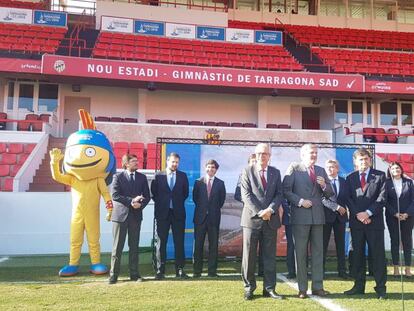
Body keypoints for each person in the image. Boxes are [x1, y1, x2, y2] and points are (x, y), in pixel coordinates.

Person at [283, 143, 333, 299]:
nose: (314, 155)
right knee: (301, 254)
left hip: (318, 217)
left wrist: (324, 185)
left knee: (318, 253)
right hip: (300, 217)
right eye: (311, 152)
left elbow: (330, 193)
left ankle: (318, 287)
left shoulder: (321, 170)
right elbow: (286, 190)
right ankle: (302, 289)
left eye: (316, 153)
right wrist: (300, 201)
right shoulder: (294, 167)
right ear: (302, 154)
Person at [241, 143, 284, 300]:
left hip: (270, 221)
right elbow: (246, 195)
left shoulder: (275, 172)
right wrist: (261, 212)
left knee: (269, 256)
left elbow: (279, 195)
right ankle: (249, 288)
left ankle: (269, 288)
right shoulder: (247, 171)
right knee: (249, 257)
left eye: (265, 153)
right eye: (259, 153)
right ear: (255, 154)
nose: (262, 156)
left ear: (269, 156)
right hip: (251, 221)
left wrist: (270, 210)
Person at [344, 148, 387, 299]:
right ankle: (358, 286)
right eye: (360, 159)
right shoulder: (350, 178)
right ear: (355, 162)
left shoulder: (380, 176)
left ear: (370, 160)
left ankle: (381, 288)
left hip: (374, 223)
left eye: (366, 159)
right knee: (357, 255)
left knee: (378, 256)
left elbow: (382, 198)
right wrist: (359, 215)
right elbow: (348, 199)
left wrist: (368, 213)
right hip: (357, 223)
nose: (364, 162)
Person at [109, 154, 150, 284]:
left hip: (136, 216)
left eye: (137, 161)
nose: (137, 163)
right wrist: (131, 201)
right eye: (133, 161)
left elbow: (147, 196)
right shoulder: (117, 177)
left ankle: (134, 274)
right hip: (120, 216)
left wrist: (140, 205)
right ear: (126, 164)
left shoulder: (142, 178)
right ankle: (113, 275)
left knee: (134, 246)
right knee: (117, 247)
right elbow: (115, 195)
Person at [151, 152, 189, 279]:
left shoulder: (183, 176)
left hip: (178, 214)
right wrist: (165, 204)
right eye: (173, 162)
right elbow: (154, 194)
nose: (175, 164)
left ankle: (179, 269)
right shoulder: (158, 176)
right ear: (168, 161)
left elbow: (185, 193)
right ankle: (160, 270)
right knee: (161, 243)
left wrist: (175, 204)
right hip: (163, 214)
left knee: (179, 242)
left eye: (177, 162)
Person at [192, 159, 226, 278]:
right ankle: (197, 271)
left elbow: (221, 201)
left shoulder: (220, 183)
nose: (210, 169)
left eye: (213, 167)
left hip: (214, 219)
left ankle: (212, 271)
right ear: (205, 168)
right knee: (198, 245)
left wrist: (211, 211)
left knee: (213, 246)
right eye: (208, 167)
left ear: (216, 170)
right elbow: (195, 198)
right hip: (200, 219)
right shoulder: (198, 182)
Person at [235, 154, 264, 276]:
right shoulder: (243, 175)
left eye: (255, 161)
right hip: (250, 216)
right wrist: (251, 203)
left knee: (264, 247)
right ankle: (249, 278)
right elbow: (238, 194)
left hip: (266, 216)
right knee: (250, 248)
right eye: (252, 161)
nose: (254, 163)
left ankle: (262, 271)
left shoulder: (265, 175)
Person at [384, 161, 414, 277]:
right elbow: (384, 201)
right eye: (393, 168)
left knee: (407, 242)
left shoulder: (409, 182)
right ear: (390, 171)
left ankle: (407, 269)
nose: (396, 170)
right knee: (395, 241)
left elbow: (413, 200)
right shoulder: (386, 183)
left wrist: (407, 213)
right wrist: (395, 213)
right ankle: (396, 268)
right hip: (392, 217)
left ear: (401, 169)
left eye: (398, 168)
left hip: (408, 217)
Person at [322, 159, 348, 279]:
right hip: (326, 217)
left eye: (332, 167)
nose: (330, 169)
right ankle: (320, 271)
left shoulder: (344, 182)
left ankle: (342, 271)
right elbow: (322, 199)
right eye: (328, 167)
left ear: (337, 169)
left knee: (341, 246)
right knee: (322, 245)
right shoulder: (322, 182)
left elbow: (348, 198)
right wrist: (337, 207)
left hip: (341, 219)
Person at [282, 199, 296, 279]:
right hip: (290, 219)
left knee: (303, 245)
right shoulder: (285, 186)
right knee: (291, 245)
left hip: (303, 219)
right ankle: (291, 271)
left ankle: (303, 269)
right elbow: (284, 201)